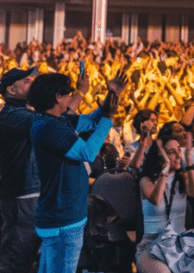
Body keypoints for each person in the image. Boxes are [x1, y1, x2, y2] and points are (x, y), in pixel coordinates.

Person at [28, 71, 124, 273]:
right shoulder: (50, 127)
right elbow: (88, 152)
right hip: (63, 219)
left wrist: (111, 95)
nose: (71, 97)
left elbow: (90, 120)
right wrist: (109, 117)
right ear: (58, 97)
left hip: (63, 215)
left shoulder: (55, 120)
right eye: (68, 93)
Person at [135, 133, 194, 273]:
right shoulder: (146, 180)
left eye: (178, 150)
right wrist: (165, 170)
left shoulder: (182, 178)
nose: (177, 155)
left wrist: (188, 161)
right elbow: (156, 200)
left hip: (180, 243)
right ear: (160, 157)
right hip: (151, 245)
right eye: (171, 152)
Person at [0, 66, 41, 272]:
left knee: (25, 257)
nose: (30, 84)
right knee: (14, 258)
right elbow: (50, 121)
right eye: (25, 81)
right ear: (11, 90)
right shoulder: (12, 116)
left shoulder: (23, 113)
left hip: (28, 195)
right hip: (20, 197)